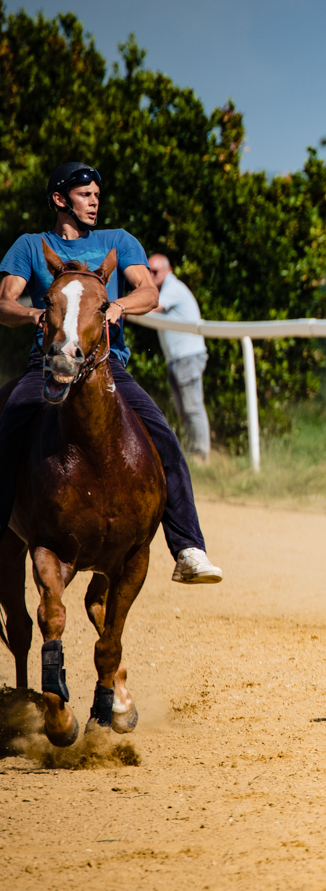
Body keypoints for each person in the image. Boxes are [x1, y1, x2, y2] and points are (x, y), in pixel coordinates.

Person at [0, 162, 222, 582]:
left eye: (97, 195)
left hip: (108, 367)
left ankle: (188, 547)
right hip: (46, 365)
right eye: (86, 195)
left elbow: (148, 290)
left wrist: (119, 306)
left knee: (165, 440)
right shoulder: (30, 246)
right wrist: (34, 315)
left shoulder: (118, 241)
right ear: (60, 200)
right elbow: (3, 302)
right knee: (7, 429)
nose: (95, 201)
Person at [147, 254, 210, 461]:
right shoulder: (162, 290)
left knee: (192, 407)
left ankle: (201, 455)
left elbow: (151, 307)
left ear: (168, 271)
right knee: (183, 410)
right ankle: (193, 454)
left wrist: (121, 307)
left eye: (155, 271)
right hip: (176, 359)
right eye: (148, 271)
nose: (151, 275)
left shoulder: (172, 287)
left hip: (188, 357)